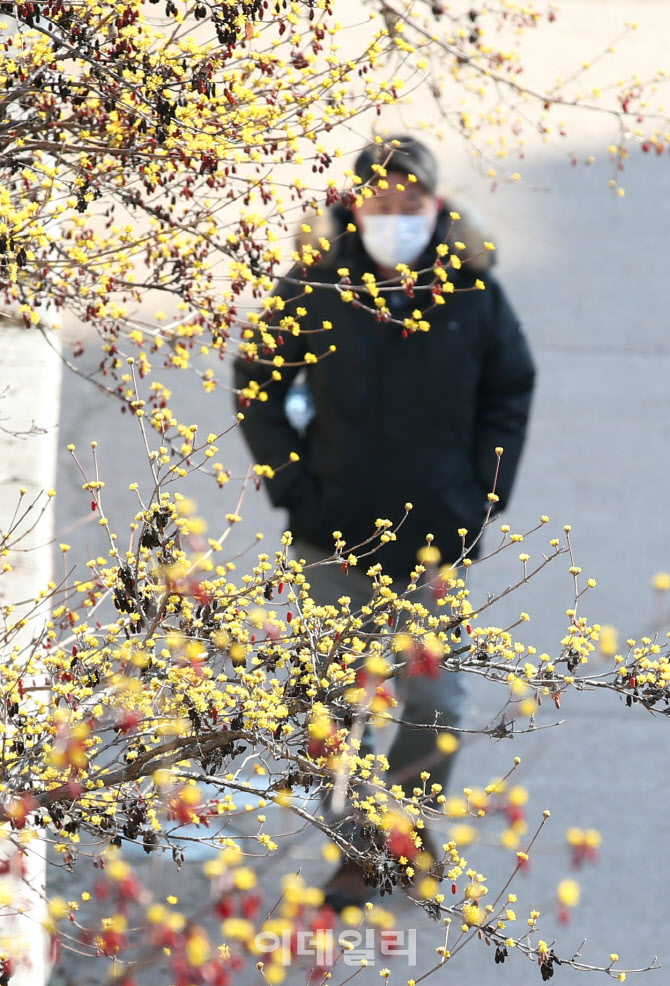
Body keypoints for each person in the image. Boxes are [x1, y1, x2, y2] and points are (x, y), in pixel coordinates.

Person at [233, 134, 535, 905]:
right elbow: (258, 380)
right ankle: (359, 844)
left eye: (411, 203)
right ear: (354, 205)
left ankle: (406, 823)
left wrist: (483, 492)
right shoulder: (316, 283)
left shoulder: (472, 292)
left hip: (438, 535)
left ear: (434, 207)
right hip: (332, 532)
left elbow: (510, 386)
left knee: (435, 702)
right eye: (380, 201)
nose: (395, 215)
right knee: (340, 702)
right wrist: (293, 486)